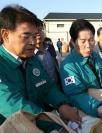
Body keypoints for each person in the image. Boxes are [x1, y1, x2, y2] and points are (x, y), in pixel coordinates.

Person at [0, 4, 80, 132]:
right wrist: (53, 124)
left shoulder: (32, 59)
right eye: (26, 36)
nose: (33, 42)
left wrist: (62, 104)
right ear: (6, 35)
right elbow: (14, 106)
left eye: (34, 35)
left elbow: (47, 87)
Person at [60, 19, 102, 118]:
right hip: (89, 112)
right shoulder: (68, 66)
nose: (88, 46)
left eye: (91, 40)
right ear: (73, 42)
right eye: (82, 41)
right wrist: (98, 107)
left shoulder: (96, 56)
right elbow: (75, 95)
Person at [35, 20, 61, 89]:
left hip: (57, 87)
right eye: (35, 31)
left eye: (41, 30)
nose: (39, 33)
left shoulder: (50, 48)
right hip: (41, 91)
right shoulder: (28, 54)